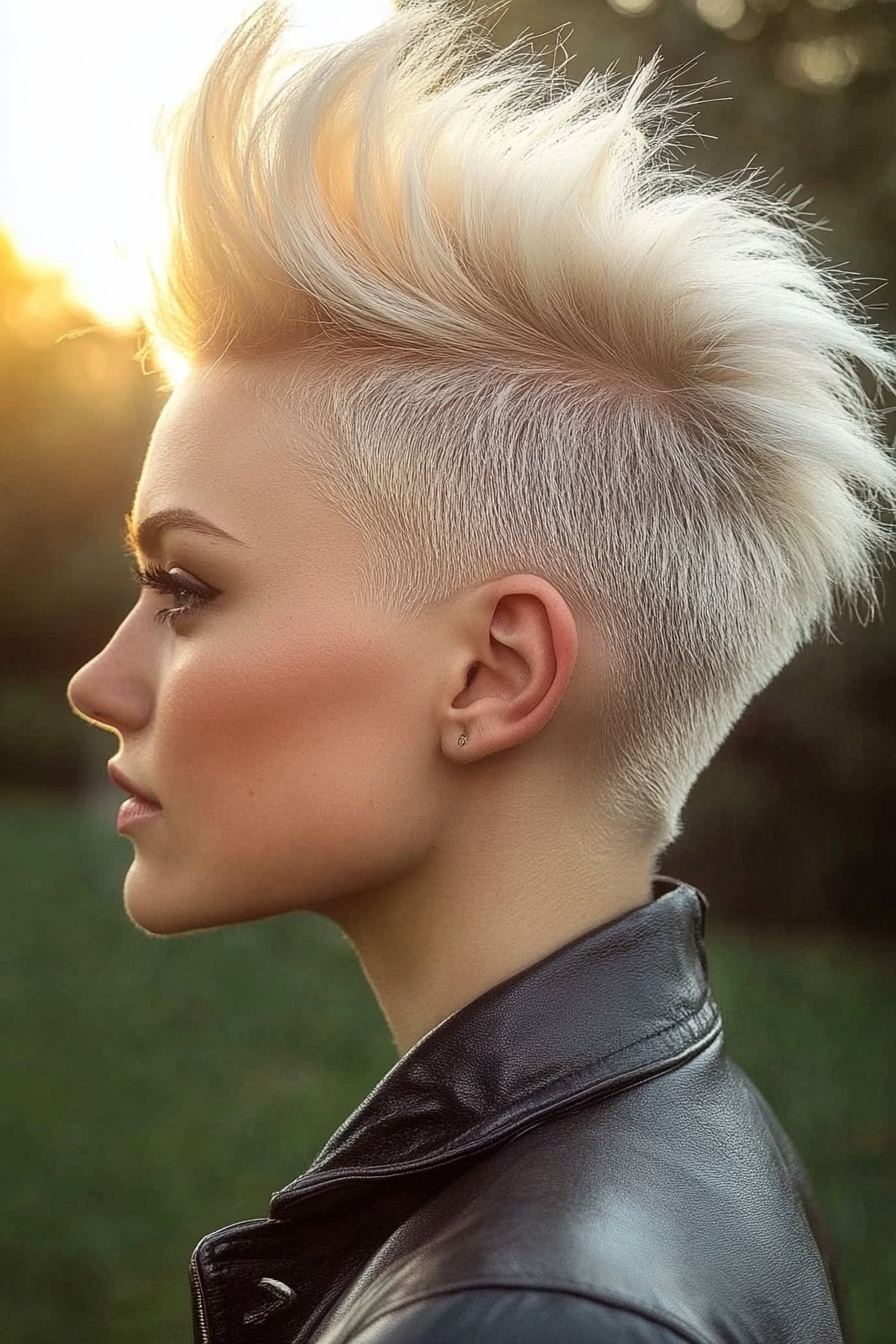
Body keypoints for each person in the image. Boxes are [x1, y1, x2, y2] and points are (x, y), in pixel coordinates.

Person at [65, 1, 896, 1339]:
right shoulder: (688, 1134)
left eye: (188, 589)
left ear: (493, 676)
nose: (100, 680)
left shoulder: (525, 1308)